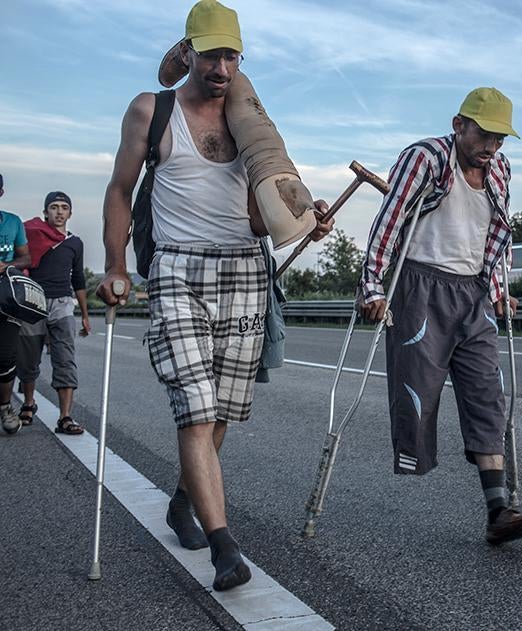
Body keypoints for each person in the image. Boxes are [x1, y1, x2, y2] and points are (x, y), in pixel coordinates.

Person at [97, 0, 333, 591]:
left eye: (232, 55)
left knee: (223, 411)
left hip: (245, 273)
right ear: (189, 52)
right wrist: (116, 263)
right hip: (176, 271)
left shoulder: (250, 122)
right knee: (195, 407)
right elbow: (121, 190)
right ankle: (225, 548)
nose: (222, 66)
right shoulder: (152, 112)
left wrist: (303, 216)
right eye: (212, 54)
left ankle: (184, 501)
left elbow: (259, 220)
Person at [359, 87, 522, 545]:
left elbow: (498, 232)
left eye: (500, 139)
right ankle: (415, 459)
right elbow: (389, 222)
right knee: (416, 395)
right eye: (485, 135)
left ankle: (499, 510)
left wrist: (500, 291)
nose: (491, 147)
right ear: (460, 124)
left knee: (488, 394)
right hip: (420, 285)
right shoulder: (424, 158)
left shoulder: (498, 168)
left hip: (472, 292)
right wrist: (372, 287)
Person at [16, 191, 90, 434]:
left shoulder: (74, 243)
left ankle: (65, 417)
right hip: (33, 303)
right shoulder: (31, 235)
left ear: (70, 213)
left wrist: (86, 315)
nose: (59, 212)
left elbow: (78, 278)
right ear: (45, 212)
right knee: (28, 357)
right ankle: (28, 404)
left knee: (65, 359)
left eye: (64, 207)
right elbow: (20, 263)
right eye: (54, 207)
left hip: (63, 304)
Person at [0, 173, 32, 435]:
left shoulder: (12, 222)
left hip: (6, 298)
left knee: (7, 355)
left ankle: (4, 406)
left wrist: (6, 265)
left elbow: (26, 259)